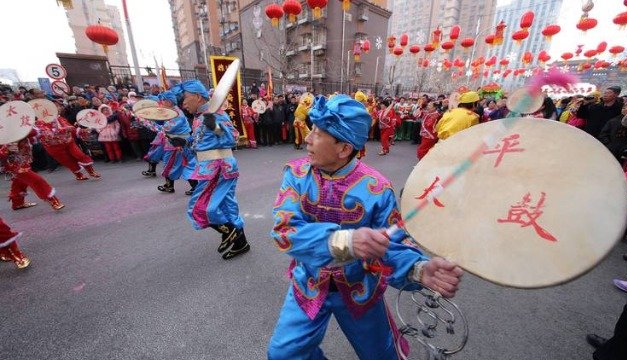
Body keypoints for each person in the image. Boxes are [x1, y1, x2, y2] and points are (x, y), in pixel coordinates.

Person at [267, 94, 463, 359]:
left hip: (360, 289)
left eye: (318, 133)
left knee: (381, 356)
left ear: (344, 148)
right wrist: (344, 242)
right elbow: (285, 230)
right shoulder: (296, 174)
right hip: (309, 283)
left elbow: (394, 244)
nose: (307, 139)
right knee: (284, 354)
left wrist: (419, 269)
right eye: (311, 130)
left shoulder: (377, 188)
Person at [175, 80, 250, 260]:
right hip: (210, 167)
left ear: (197, 97)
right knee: (227, 205)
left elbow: (232, 138)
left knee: (200, 208)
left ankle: (231, 232)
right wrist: (184, 143)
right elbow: (199, 145)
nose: (183, 103)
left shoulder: (215, 113)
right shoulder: (199, 117)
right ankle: (241, 243)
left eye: (185, 98)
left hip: (218, 167)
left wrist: (215, 126)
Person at [35, 102, 100, 180]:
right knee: (68, 161)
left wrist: (82, 131)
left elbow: (72, 129)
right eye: (55, 108)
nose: (58, 109)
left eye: (58, 107)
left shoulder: (60, 118)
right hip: (53, 147)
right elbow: (45, 133)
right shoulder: (40, 123)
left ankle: (91, 171)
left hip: (69, 142)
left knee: (80, 155)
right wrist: (61, 130)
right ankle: (79, 175)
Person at [0, 132, 65, 211]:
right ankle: (53, 200)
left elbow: (35, 132)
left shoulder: (21, 129)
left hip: (23, 162)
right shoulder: (5, 134)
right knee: (37, 181)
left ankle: (18, 203)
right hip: (15, 166)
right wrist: (6, 149)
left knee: (19, 183)